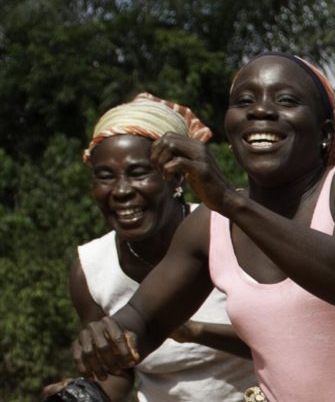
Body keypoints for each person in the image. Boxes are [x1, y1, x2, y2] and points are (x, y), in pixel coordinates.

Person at [71, 53, 335, 401]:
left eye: (286, 100)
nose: (260, 110)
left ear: (324, 132)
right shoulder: (210, 225)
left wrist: (231, 201)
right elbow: (144, 321)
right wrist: (106, 338)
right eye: (244, 101)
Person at [45, 94, 258, 401]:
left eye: (138, 173)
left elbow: (283, 340)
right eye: (105, 177)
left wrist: (193, 331)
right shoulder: (91, 270)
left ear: (176, 176)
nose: (121, 190)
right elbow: (118, 373)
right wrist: (85, 392)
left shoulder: (227, 231)